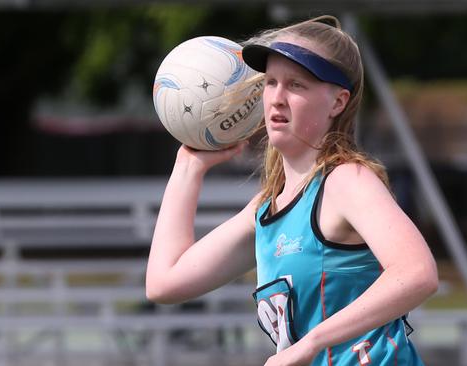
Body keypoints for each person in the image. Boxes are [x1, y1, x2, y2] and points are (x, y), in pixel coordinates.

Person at [146, 15, 438, 366]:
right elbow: (164, 283)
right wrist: (188, 167)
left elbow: (418, 273)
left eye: (297, 85)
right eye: (270, 83)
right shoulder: (268, 210)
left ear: (338, 102)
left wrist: (312, 342)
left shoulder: (346, 180)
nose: (277, 98)